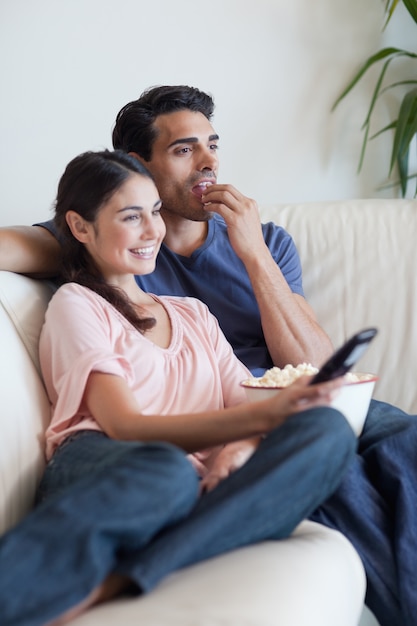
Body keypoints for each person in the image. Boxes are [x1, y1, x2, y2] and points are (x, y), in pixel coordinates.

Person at [0, 84, 416, 626]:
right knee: (174, 470)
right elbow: (122, 419)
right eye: (183, 149)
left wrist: (252, 252)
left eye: (212, 144)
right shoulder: (100, 258)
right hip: (193, 428)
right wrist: (257, 422)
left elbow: (312, 363)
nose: (209, 162)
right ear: (137, 165)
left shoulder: (249, 257)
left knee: (373, 435)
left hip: (265, 397)